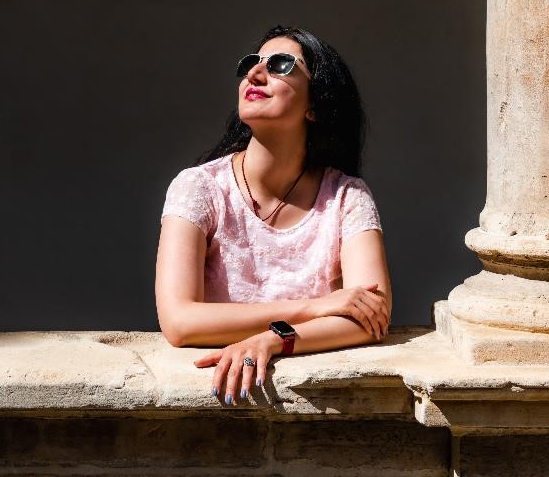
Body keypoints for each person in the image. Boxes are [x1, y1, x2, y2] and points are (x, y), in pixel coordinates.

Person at [155, 25, 392, 405]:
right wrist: (313, 308)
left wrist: (275, 337)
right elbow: (179, 322)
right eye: (251, 63)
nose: (255, 73)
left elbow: (369, 317)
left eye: (281, 64)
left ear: (315, 104)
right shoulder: (198, 188)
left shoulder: (347, 197)